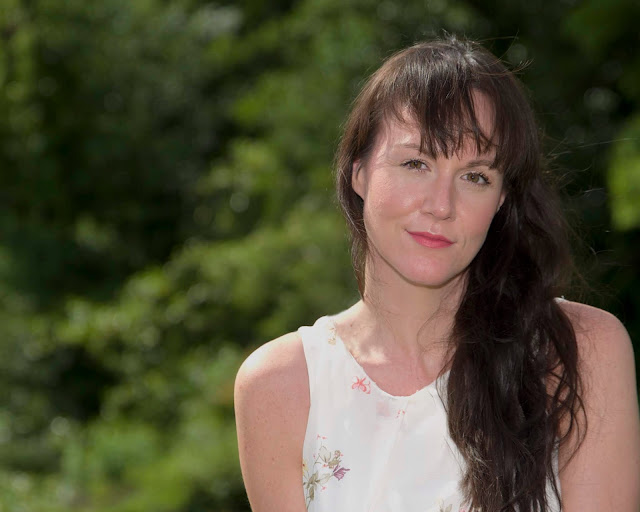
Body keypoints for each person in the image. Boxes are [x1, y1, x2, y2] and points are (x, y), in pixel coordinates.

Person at [234, 36, 640, 512]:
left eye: (475, 176)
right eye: (415, 163)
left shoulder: (577, 350)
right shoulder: (280, 385)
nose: (441, 206)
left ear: (502, 200)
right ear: (358, 172)